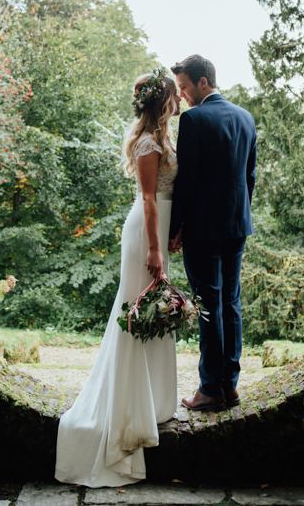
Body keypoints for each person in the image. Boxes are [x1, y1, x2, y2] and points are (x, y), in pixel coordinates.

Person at [55, 68, 181, 487]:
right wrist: (153, 248)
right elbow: (148, 199)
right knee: (137, 314)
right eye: (173, 95)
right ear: (164, 100)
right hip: (145, 233)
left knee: (154, 315)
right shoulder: (148, 142)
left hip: (159, 229)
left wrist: (170, 234)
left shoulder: (163, 139)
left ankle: (155, 403)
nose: (179, 99)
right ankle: (127, 416)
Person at [168, 54, 257, 412]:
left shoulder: (194, 120)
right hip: (237, 224)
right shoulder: (245, 118)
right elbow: (249, 177)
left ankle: (209, 389)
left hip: (204, 228)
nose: (183, 95)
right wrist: (239, 214)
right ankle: (229, 385)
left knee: (208, 304)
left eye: (185, 87)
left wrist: (176, 229)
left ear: (203, 82)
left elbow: (186, 183)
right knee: (230, 302)